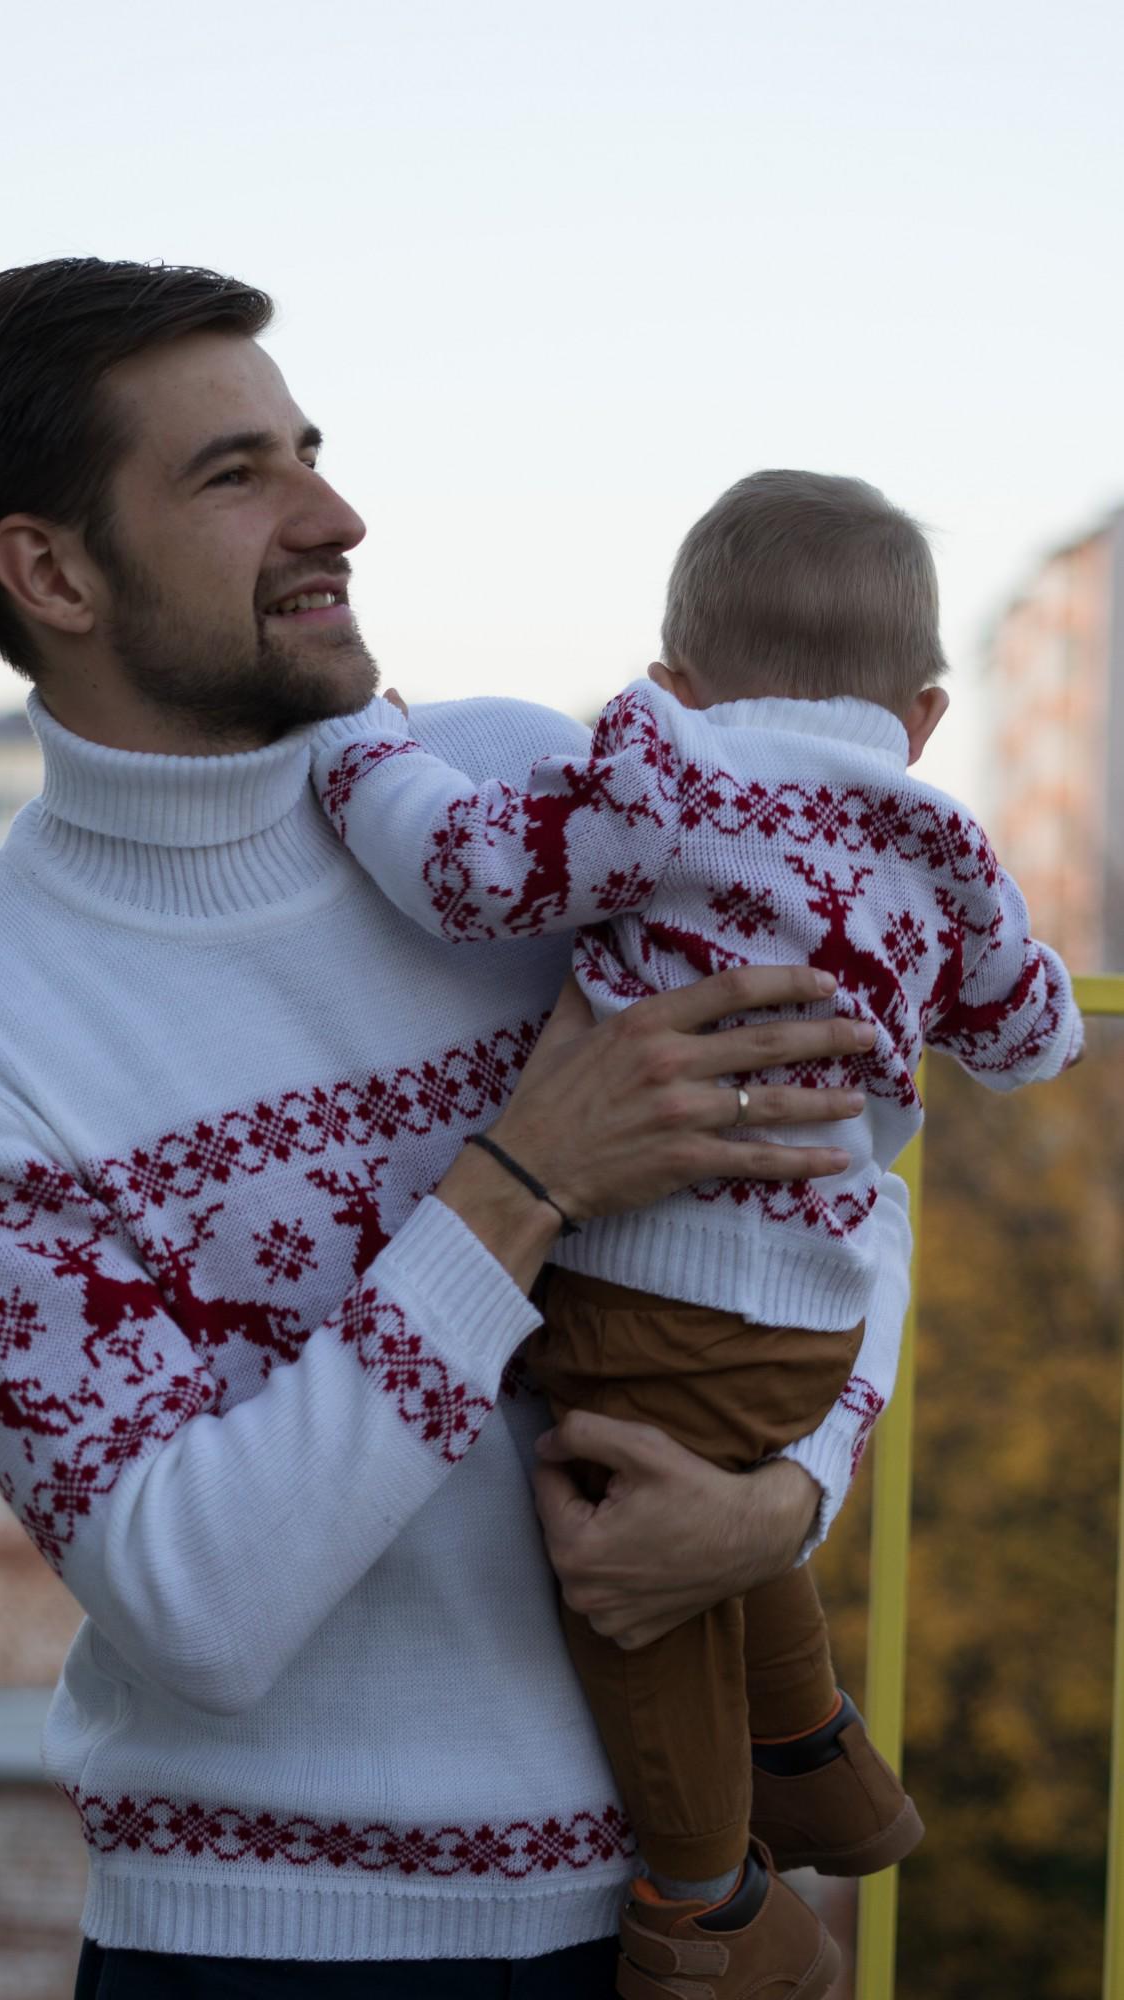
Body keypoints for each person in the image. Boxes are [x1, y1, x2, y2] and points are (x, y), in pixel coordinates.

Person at [0, 262, 910, 2000]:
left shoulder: (521, 800)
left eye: (304, 449)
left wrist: (785, 1498)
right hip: (272, 1959)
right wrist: (524, 1185)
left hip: (670, 1921)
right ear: (51, 572)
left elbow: (844, 1198)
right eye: (231, 476)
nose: (333, 515)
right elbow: (196, 1605)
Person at [305, 468, 1085, 1995]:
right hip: (815, 1323)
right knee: (726, 1495)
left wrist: (361, 750)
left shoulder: (668, 785)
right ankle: (816, 1763)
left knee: (630, 1595)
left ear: (674, 684)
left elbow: (464, 871)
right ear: (922, 716)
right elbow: (1032, 1036)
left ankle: (699, 1902)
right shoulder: (945, 851)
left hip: (636, 1297)